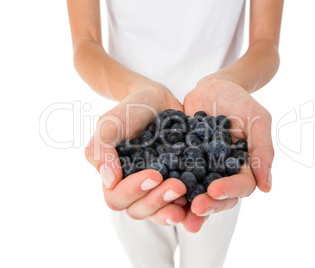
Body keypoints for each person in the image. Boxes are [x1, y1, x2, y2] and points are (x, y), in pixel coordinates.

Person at [66, 0, 283, 267]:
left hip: (223, 141)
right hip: (134, 134)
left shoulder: (218, 158)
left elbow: (266, 44)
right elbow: (85, 44)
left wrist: (228, 83)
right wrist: (137, 92)